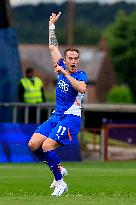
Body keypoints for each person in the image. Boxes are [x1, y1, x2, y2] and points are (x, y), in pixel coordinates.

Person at [28, 12, 88, 196]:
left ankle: (60, 183)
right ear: (66, 59)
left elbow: (82, 89)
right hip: (57, 116)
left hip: (71, 118)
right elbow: (53, 48)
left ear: (77, 61)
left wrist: (65, 73)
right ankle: (58, 169)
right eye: (69, 58)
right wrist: (51, 26)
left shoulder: (79, 75)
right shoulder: (60, 66)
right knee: (33, 145)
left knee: (47, 146)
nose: (72, 60)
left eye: (75, 58)